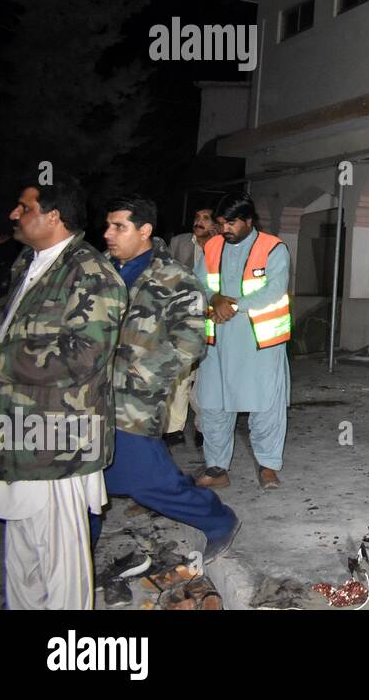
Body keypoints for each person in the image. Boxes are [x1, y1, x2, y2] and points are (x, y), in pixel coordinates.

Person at [0, 177, 127, 609]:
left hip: (59, 438)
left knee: (59, 561)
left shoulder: (89, 272)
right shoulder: (28, 263)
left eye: (24, 207)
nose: (15, 214)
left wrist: (2, 359)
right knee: (21, 552)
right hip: (19, 431)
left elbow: (83, 356)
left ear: (53, 216)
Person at [91, 196, 238, 573]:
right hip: (86, 395)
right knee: (84, 482)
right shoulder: (99, 271)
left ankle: (217, 519)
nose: (108, 234)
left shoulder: (173, 278)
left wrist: (139, 374)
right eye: (107, 225)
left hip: (133, 399)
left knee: (145, 477)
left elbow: (190, 341)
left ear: (144, 231)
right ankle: (77, 551)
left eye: (118, 226)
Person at [194, 193, 292, 489]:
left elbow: (274, 291)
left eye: (232, 223)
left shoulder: (273, 248)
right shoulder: (211, 247)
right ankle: (216, 468)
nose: (225, 229)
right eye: (222, 222)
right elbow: (197, 282)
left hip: (259, 342)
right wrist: (214, 298)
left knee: (265, 406)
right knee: (213, 404)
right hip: (217, 340)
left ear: (249, 221)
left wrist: (232, 304)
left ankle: (268, 466)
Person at [166, 206, 216, 447]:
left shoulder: (223, 247)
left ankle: (203, 427)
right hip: (183, 316)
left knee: (206, 376)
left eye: (206, 218)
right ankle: (174, 429)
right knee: (182, 374)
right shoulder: (178, 242)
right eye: (197, 217)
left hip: (213, 319)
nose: (199, 221)